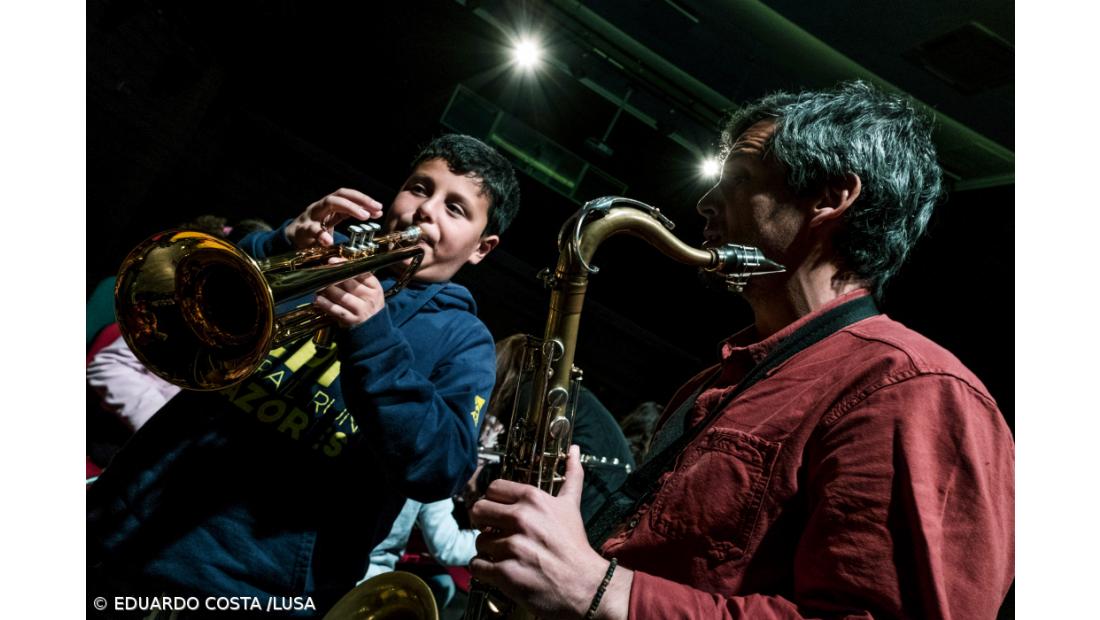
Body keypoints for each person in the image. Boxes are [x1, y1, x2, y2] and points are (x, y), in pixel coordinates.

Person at [466, 81, 1014, 619]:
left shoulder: (914, 388)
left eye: (739, 178)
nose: (706, 203)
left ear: (830, 197)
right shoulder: (715, 381)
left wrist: (600, 590)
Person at [87, 134, 520, 615]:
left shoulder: (465, 342)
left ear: (482, 248)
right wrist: (280, 243)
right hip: (123, 532)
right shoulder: (319, 252)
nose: (425, 210)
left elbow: (441, 468)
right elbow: (184, 318)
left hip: (255, 591)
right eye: (419, 188)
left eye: (455, 209)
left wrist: (373, 338)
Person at [478, 334, 635, 522]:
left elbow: (523, 464)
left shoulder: (530, 394)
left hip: (591, 500)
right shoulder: (551, 392)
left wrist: (480, 477)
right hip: (606, 501)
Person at [364, 497, 478, 609]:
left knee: (443, 580)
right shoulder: (434, 486)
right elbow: (449, 548)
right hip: (373, 569)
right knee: (443, 586)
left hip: (372, 562)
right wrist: (485, 539)